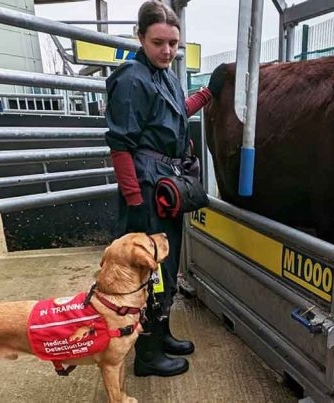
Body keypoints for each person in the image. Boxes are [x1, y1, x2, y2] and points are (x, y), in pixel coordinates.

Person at [104, 0, 223, 377]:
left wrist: (205, 95)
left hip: (165, 181)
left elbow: (170, 115)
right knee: (148, 272)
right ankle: (147, 355)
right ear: (140, 38)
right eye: (158, 42)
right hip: (146, 185)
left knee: (167, 267)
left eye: (173, 43)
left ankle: (161, 332)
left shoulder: (166, 77)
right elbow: (121, 145)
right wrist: (136, 203)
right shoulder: (130, 79)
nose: (167, 50)